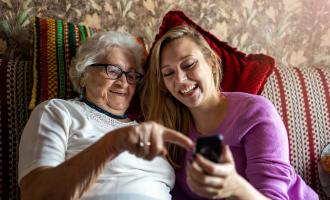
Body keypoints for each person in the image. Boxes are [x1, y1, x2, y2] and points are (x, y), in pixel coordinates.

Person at [140, 25, 318, 200]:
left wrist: (234, 186)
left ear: (211, 61)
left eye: (188, 64)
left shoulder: (255, 113)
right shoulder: (173, 128)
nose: (180, 79)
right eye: (169, 73)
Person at [18, 31, 194, 200]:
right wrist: (111, 145)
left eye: (131, 75)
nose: (123, 82)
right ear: (83, 75)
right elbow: (36, 194)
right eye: (113, 71)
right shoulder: (58, 111)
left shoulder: (146, 126)